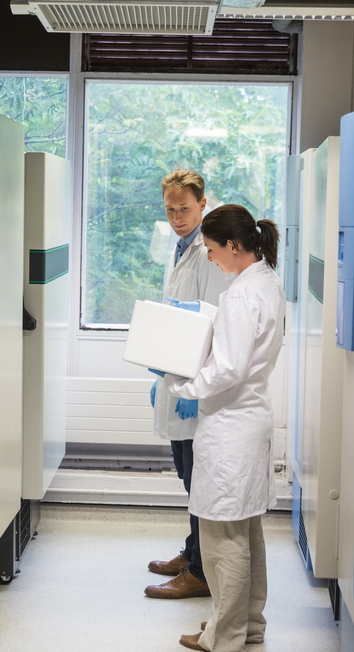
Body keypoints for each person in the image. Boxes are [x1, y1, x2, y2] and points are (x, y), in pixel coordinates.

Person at [155, 204, 285, 652]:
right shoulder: (265, 282)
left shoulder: (239, 295)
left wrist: (182, 383)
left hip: (230, 427)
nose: (209, 258)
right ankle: (248, 625)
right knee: (245, 533)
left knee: (222, 541)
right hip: (250, 421)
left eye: (211, 250)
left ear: (233, 246)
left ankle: (224, 637)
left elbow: (227, 367)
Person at [144, 169, 233, 600]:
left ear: (202, 204)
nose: (177, 216)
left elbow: (210, 322)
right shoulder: (179, 246)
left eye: (184, 208)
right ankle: (192, 550)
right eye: (170, 209)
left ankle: (198, 572)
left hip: (196, 381)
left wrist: (191, 386)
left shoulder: (208, 251)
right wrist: (162, 372)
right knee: (185, 473)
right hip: (177, 375)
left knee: (196, 477)